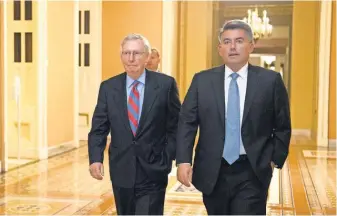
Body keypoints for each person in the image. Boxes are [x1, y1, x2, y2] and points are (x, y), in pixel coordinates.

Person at [176, 20, 291, 215]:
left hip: (252, 169)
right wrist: (183, 160)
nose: (233, 47)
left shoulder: (270, 81)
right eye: (227, 42)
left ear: (251, 46)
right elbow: (186, 122)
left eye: (239, 41)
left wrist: (273, 160)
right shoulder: (202, 81)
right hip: (212, 169)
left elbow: (282, 126)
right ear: (220, 48)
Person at [88, 33, 181, 215]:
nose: (131, 59)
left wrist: (168, 156)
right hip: (121, 168)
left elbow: (177, 126)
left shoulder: (165, 85)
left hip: (154, 169)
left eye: (137, 53)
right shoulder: (108, 87)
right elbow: (99, 128)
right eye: (126, 53)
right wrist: (95, 158)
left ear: (147, 56)